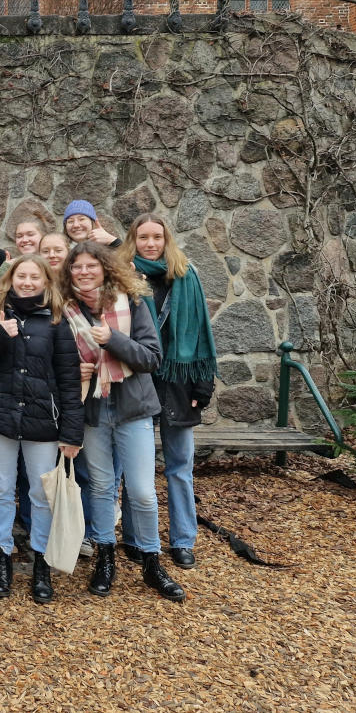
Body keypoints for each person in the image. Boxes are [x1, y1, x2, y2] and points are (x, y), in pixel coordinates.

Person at [59, 242, 185, 602]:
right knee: (99, 487)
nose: (83, 272)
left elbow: (151, 357)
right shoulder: (66, 311)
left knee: (142, 491)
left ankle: (151, 561)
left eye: (90, 266)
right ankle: (105, 557)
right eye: (77, 267)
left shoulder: (131, 303)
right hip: (94, 411)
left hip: (133, 409)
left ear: (105, 269)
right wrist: (74, 369)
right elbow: (57, 364)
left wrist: (112, 339)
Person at [0, 254, 84, 603]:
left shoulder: (55, 320)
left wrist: (72, 432)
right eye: (22, 275)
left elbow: (68, 377)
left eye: (35, 276)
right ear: (11, 278)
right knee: (1, 490)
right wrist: (0, 337)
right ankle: (2, 557)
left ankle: (40, 562)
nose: (28, 282)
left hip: (41, 422)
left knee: (40, 493)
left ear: (46, 281)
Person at [120, 213, 218, 570]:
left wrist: (203, 384)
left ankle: (182, 540)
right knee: (136, 465)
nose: (150, 243)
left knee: (179, 466)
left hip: (179, 381)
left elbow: (203, 331)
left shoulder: (185, 275)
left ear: (166, 240)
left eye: (156, 237)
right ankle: (134, 538)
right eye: (143, 236)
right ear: (133, 240)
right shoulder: (124, 276)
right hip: (139, 380)